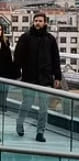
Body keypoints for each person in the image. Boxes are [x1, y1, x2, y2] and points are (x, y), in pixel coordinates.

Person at [13, 12, 62, 142]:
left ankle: (40, 132)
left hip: (45, 78)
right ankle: (19, 124)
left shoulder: (50, 39)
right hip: (29, 77)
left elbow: (56, 59)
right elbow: (18, 57)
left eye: (40, 21)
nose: (38, 23)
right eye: (36, 21)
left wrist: (57, 77)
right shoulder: (26, 37)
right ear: (33, 22)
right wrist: (17, 74)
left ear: (45, 23)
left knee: (44, 108)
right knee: (26, 104)